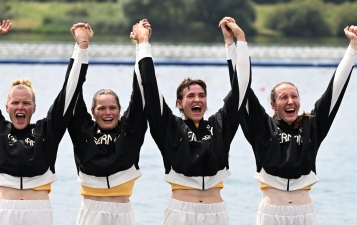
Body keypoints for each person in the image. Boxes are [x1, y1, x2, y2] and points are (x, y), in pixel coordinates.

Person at [0, 20, 91, 225]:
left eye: (26, 103)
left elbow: (69, 93)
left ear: (34, 108)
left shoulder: (47, 131)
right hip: (3, 211)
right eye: (15, 103)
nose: (20, 107)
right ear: (7, 106)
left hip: (38, 212)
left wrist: (81, 48)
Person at [136, 17, 251, 224]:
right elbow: (150, 89)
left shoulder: (220, 125)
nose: (197, 99)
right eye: (190, 96)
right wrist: (143, 44)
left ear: (206, 102)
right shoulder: (169, 127)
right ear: (179, 103)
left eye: (201, 95)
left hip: (216, 212)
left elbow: (241, 87)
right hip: (181, 212)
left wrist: (236, 41)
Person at [239, 25, 357, 225]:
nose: (290, 101)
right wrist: (239, 42)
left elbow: (334, 90)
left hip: (305, 214)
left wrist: (353, 47)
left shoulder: (312, 125)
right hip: (271, 214)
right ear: (273, 105)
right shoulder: (262, 127)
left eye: (294, 96)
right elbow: (241, 86)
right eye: (284, 97)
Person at [67, 20, 150, 225]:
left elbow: (141, 92)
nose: (107, 112)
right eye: (101, 108)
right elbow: (71, 92)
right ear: (92, 112)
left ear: (120, 111)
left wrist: (142, 44)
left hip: (123, 213)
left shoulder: (130, 131)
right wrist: (81, 47)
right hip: (91, 213)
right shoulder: (82, 131)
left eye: (112, 108)